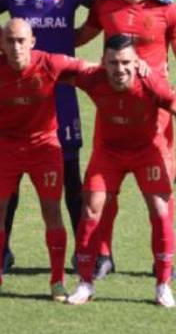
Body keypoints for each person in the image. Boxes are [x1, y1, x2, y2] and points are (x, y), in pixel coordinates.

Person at [0, 0, 95, 276]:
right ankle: (1, 253)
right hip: (21, 99)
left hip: (61, 97)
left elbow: (106, 8)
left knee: (72, 181)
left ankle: (84, 253)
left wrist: (75, 40)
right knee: (10, 184)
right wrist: (4, 46)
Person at [0, 18, 98, 301]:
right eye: (9, 41)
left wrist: (131, 67)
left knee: (51, 211)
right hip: (6, 147)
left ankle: (57, 282)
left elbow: (90, 69)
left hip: (45, 148)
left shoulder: (50, 63)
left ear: (32, 42)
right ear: (1, 43)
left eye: (20, 41)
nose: (15, 47)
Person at [74, 0, 176, 278]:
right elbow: (80, 37)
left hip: (155, 113)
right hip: (113, 110)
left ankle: (165, 261)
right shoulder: (105, 7)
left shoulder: (167, 8)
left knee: (163, 191)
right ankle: (103, 255)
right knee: (106, 189)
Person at [65, 35, 176, 307]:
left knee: (161, 211)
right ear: (103, 62)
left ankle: (163, 284)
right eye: (113, 62)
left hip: (146, 151)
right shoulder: (93, 78)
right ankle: (85, 283)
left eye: (126, 62)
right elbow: (54, 68)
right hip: (108, 152)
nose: (120, 69)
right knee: (91, 209)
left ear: (137, 62)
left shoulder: (152, 84)